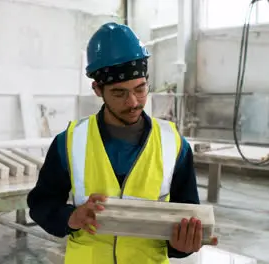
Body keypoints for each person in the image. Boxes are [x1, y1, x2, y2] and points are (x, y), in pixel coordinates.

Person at [27, 22, 218, 264]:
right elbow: (41, 204)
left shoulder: (174, 145)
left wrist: (181, 247)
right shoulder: (70, 142)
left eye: (140, 89)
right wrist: (71, 218)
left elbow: (186, 217)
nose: (133, 102)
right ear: (97, 89)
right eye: (119, 93)